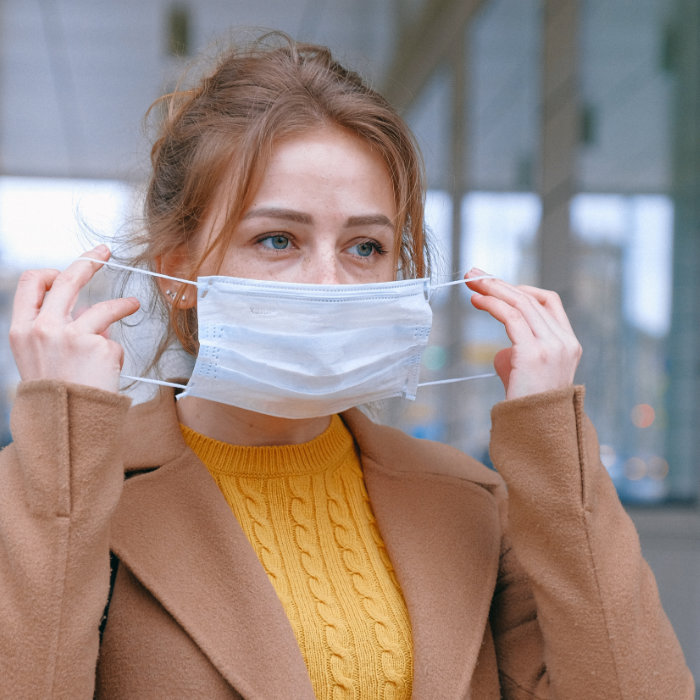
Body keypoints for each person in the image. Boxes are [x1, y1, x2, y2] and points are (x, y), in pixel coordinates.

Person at [0, 31, 693, 699]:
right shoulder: (68, 488)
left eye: (366, 248)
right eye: (277, 239)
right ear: (178, 271)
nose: (330, 285)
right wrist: (62, 445)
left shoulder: (469, 502)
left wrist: (552, 452)